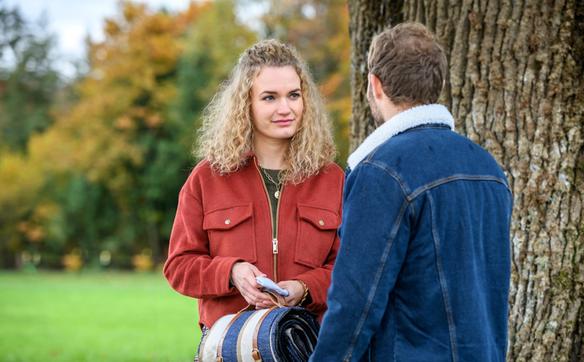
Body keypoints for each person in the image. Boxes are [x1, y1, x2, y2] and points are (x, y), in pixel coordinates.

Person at [310, 23, 513, 361]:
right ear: (441, 84)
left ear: (375, 85)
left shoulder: (381, 172)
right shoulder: (488, 168)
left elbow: (355, 302)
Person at [162, 39, 343, 359]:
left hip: (307, 348)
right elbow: (179, 266)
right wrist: (231, 272)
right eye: (269, 97)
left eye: (294, 95)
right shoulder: (207, 178)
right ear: (246, 103)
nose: (285, 108)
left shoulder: (332, 179)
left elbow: (348, 268)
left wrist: (305, 288)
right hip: (230, 350)